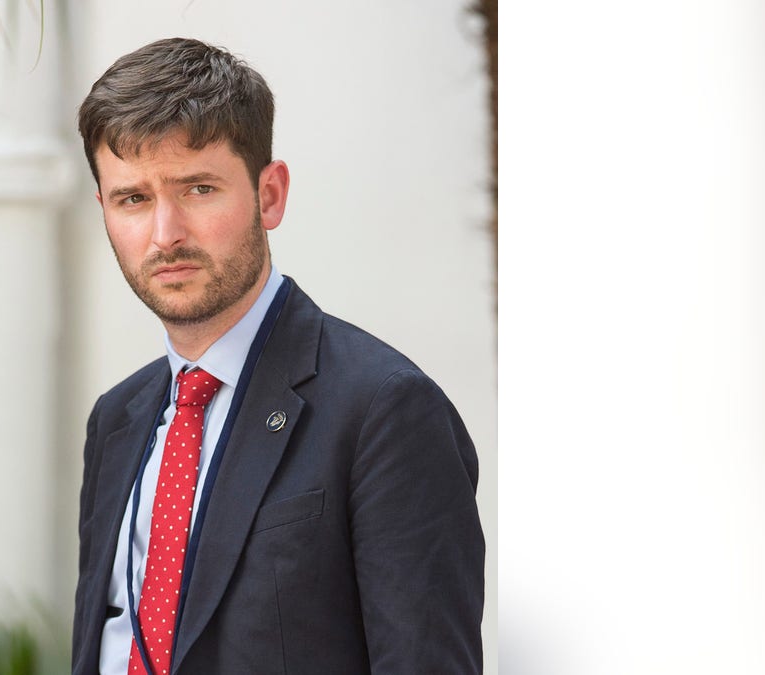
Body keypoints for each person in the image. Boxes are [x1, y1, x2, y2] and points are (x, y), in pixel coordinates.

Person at [72, 37, 484, 675]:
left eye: (199, 188)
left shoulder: (386, 410)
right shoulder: (115, 420)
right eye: (134, 199)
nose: (165, 233)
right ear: (104, 210)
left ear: (269, 195)